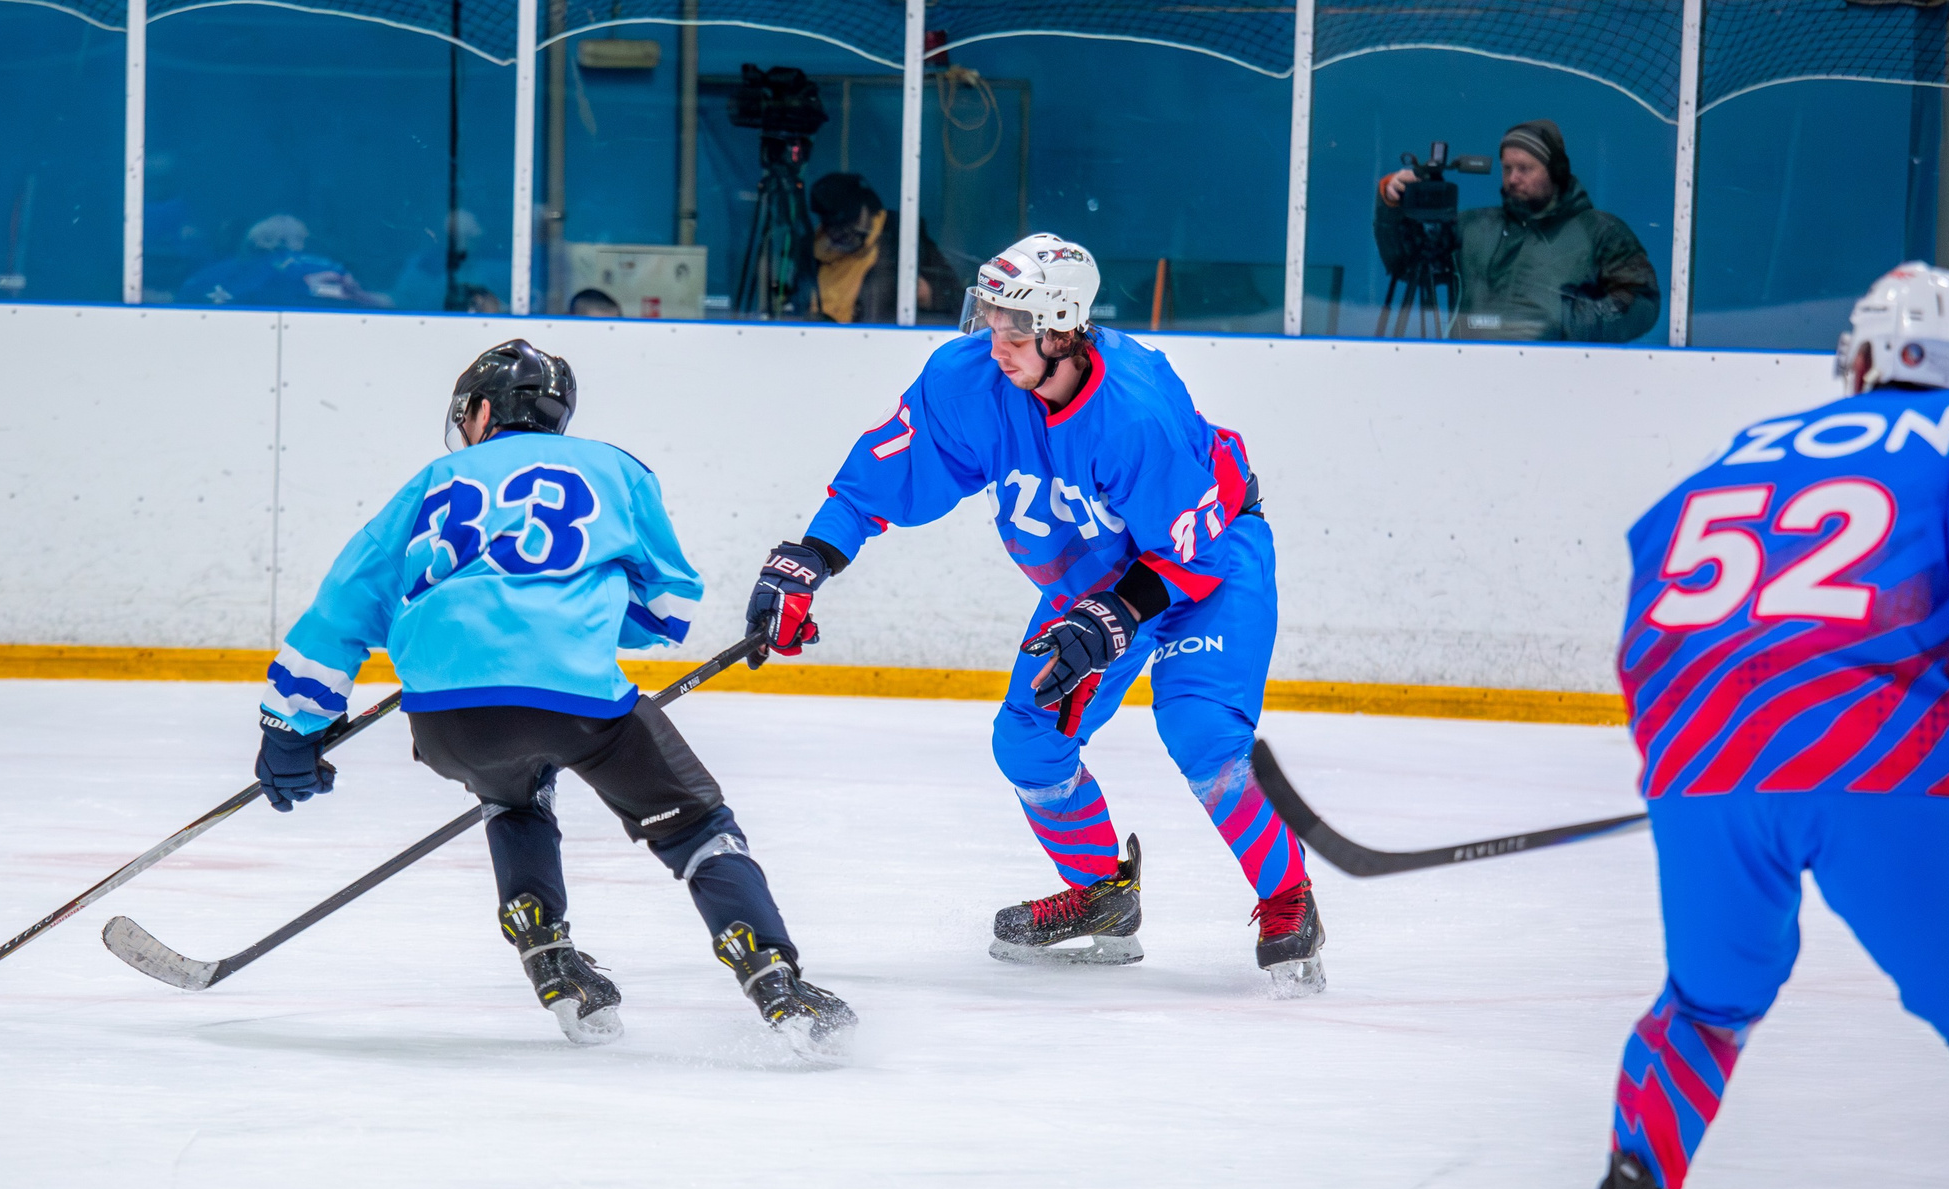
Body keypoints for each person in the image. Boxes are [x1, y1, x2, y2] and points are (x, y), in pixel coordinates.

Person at [744, 233, 1325, 992]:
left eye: (1016, 329)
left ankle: (1287, 898)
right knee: (1027, 741)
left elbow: (1191, 547)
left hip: (1206, 563)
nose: (997, 344)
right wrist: (811, 558)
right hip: (1096, 582)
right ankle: (1102, 892)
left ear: (1064, 329)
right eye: (990, 319)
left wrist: (1117, 614)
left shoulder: (1134, 411)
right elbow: (877, 481)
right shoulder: (967, 380)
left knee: (1200, 731)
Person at [254, 339, 856, 1063]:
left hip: (445, 718)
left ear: (482, 411)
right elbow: (668, 606)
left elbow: (344, 608)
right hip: (574, 699)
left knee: (511, 794)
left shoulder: (431, 481)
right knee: (697, 823)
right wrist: (586, 620)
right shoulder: (616, 470)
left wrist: (291, 727)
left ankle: (547, 952)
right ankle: (773, 978)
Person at [1552, 261, 1949, 1189]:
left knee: (1708, 999)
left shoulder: (1745, 451)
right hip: (1886, 761)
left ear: (1860, 363)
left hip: (1705, 760)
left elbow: (1654, 608)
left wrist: (1693, 766)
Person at [1375, 119, 1658, 343]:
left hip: (1561, 381)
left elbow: (1641, 302)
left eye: (1525, 168)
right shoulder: (1472, 227)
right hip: (1470, 375)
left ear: (1555, 171)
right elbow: (1406, 263)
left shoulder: (1599, 231)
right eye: (1507, 168)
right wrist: (1391, 203)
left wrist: (1567, 321)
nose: (1513, 178)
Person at [806, 172, 960, 326]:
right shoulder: (812, 251)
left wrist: (930, 295)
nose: (843, 232)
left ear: (868, 207)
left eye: (851, 220)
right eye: (832, 224)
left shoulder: (903, 241)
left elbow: (954, 297)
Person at [179, 214, 390, 309]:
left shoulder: (208, 276)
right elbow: (361, 298)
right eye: (304, 240)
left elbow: (185, 298)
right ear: (297, 241)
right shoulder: (322, 269)